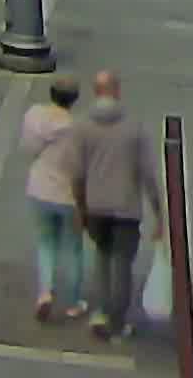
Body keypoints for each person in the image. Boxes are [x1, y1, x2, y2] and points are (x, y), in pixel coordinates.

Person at [68, 69, 166, 341]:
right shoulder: (134, 128)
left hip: (95, 206)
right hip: (125, 208)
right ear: (117, 91)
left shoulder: (82, 126)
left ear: (96, 92)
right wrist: (160, 214)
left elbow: (76, 173)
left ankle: (101, 312)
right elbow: (148, 174)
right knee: (122, 265)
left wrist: (80, 208)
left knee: (101, 257)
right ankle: (117, 322)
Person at [22, 78, 85, 321]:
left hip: (39, 189)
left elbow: (28, 148)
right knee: (74, 249)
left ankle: (45, 292)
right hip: (68, 195)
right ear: (74, 99)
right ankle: (73, 302)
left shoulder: (34, 116)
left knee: (46, 244)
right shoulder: (78, 129)